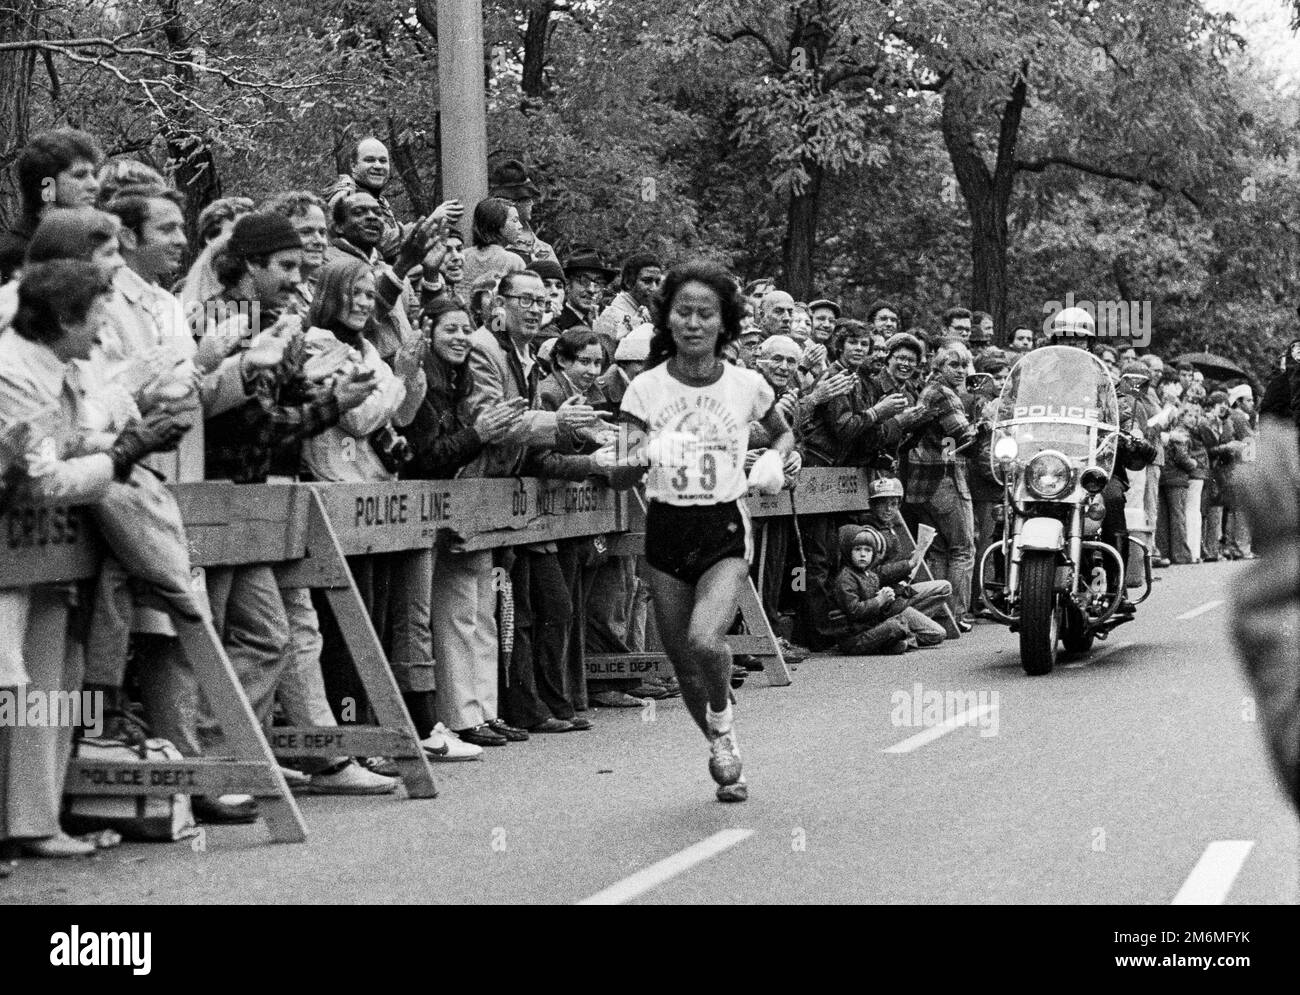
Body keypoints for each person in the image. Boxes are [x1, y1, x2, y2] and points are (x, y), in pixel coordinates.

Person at [596, 260, 794, 803]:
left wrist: (774, 461)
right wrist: (644, 453)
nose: (693, 322)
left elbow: (783, 434)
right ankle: (722, 743)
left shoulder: (747, 384)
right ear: (667, 319)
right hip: (665, 528)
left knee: (705, 638)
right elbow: (616, 472)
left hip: (723, 525)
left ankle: (724, 724)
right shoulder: (645, 389)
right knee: (684, 665)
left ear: (724, 322)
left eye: (706, 313)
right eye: (683, 311)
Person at [0, 129, 103, 283]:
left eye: (93, 175)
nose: (94, 185)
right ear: (47, 186)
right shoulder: (21, 251)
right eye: (80, 175)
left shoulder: (91, 238)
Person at [834, 525, 944, 654]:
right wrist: (879, 600)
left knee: (933, 633)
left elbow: (877, 609)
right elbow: (854, 610)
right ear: (848, 551)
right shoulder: (846, 578)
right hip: (856, 637)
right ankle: (894, 643)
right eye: (857, 549)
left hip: (872, 628)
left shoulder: (871, 575)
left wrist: (888, 597)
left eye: (868, 550)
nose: (863, 554)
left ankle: (899, 643)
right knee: (896, 625)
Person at [322, 137, 405, 261]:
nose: (378, 166)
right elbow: (383, 244)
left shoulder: (380, 200)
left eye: (383, 161)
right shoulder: (347, 196)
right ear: (353, 165)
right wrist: (430, 224)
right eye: (370, 160)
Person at [593, 251, 662, 344]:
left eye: (657, 282)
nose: (654, 288)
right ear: (628, 282)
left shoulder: (651, 312)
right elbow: (603, 354)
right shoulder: (611, 315)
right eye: (647, 281)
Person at [460, 197, 527, 291]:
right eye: (515, 220)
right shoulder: (514, 261)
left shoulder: (462, 256)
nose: (520, 226)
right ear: (497, 223)